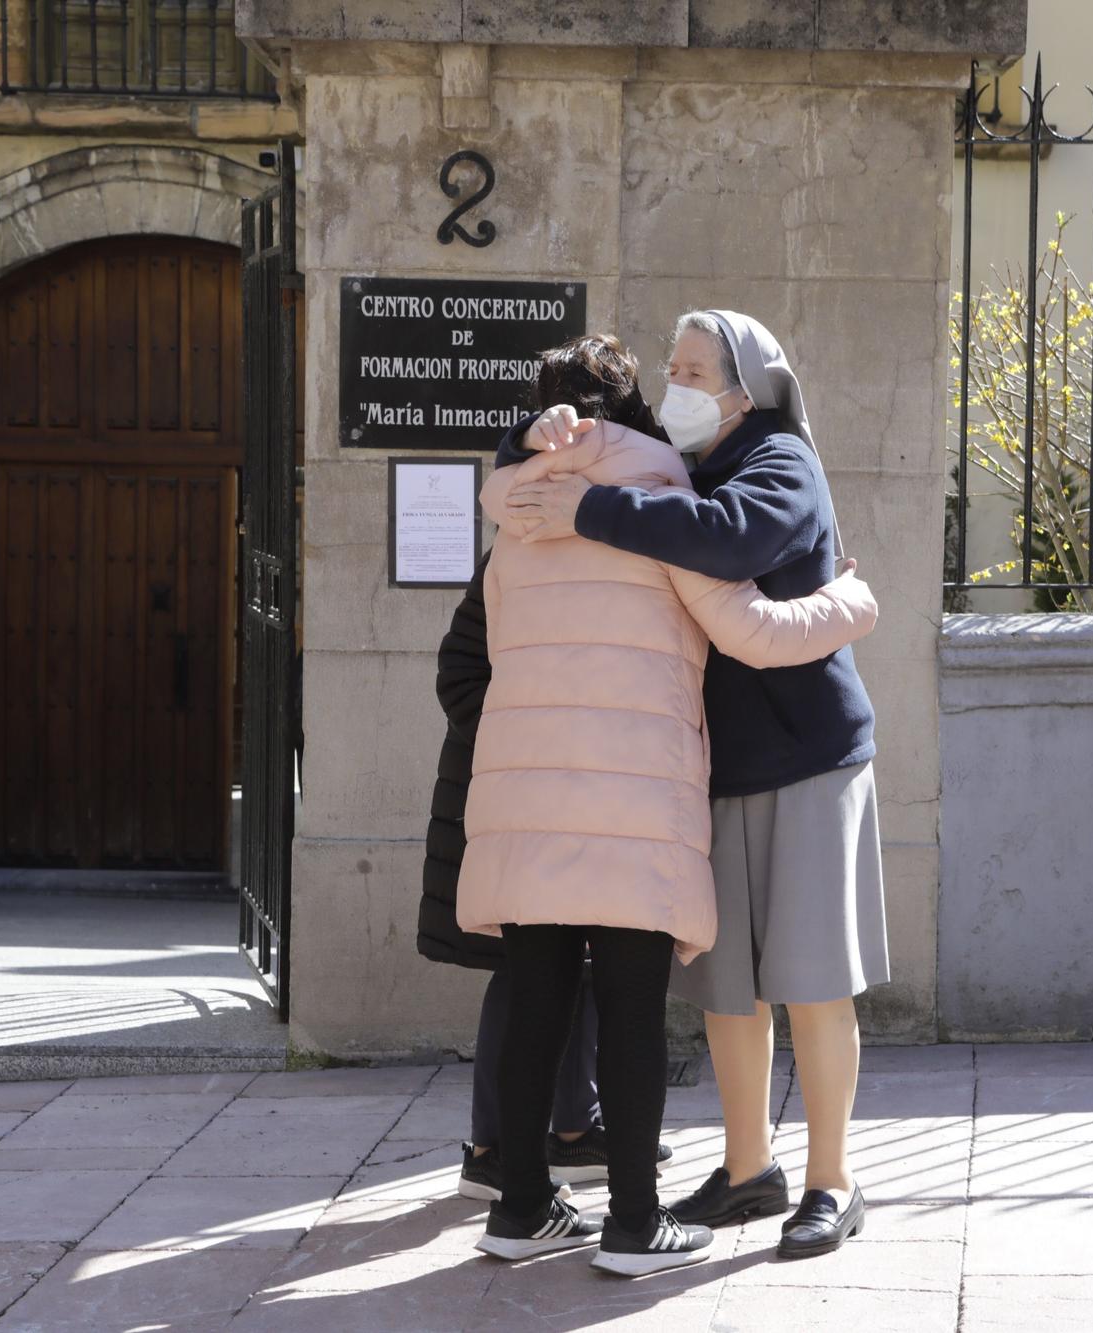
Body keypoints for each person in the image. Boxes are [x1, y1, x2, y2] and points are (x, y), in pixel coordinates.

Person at [459, 333, 880, 1277]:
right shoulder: (660, 499)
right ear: (636, 405)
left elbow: (486, 643)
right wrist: (854, 602)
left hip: (523, 791)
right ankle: (634, 1224)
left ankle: (520, 1207)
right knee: (631, 1005)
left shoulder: (514, 513)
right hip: (633, 793)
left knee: (536, 1002)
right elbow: (751, 631)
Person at [419, 554, 675, 1202]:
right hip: (519, 790)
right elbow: (460, 671)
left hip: (558, 789)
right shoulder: (523, 543)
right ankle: (495, 1148)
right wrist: (529, 741)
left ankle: (566, 1131)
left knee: (574, 964)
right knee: (526, 969)